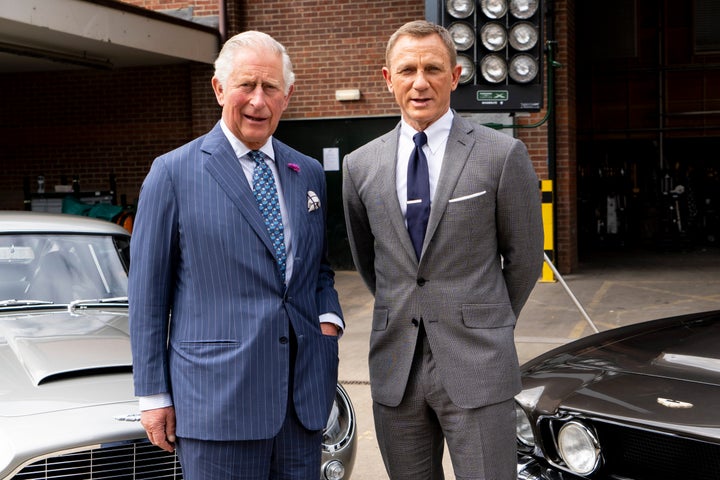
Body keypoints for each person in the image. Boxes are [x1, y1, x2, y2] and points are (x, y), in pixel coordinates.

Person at [129, 30, 343, 480]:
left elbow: (317, 267)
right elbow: (147, 296)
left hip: (300, 403)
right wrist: (153, 396)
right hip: (217, 405)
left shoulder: (307, 172)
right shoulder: (172, 173)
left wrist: (328, 320)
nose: (258, 101)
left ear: (288, 95)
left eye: (270, 88)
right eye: (247, 85)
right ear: (219, 88)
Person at [342, 20, 543, 480]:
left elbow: (525, 258)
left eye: (433, 68)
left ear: (454, 76)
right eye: (407, 69)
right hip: (396, 366)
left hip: (477, 362)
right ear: (387, 78)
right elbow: (369, 261)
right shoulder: (360, 166)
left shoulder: (500, 155)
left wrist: (485, 318)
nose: (420, 82)